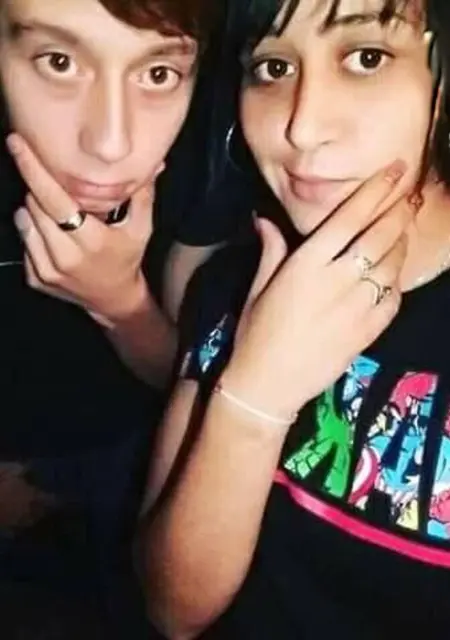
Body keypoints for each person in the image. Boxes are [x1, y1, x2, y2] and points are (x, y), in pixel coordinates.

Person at [139, 0, 450, 637]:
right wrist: (253, 399)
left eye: (367, 57)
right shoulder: (234, 284)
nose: (302, 127)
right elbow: (173, 610)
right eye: (273, 67)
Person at [0, 0, 220, 636]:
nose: (110, 143)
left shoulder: (213, 158)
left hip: (133, 456)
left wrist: (119, 302)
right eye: (59, 61)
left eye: (158, 74)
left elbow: (194, 387)